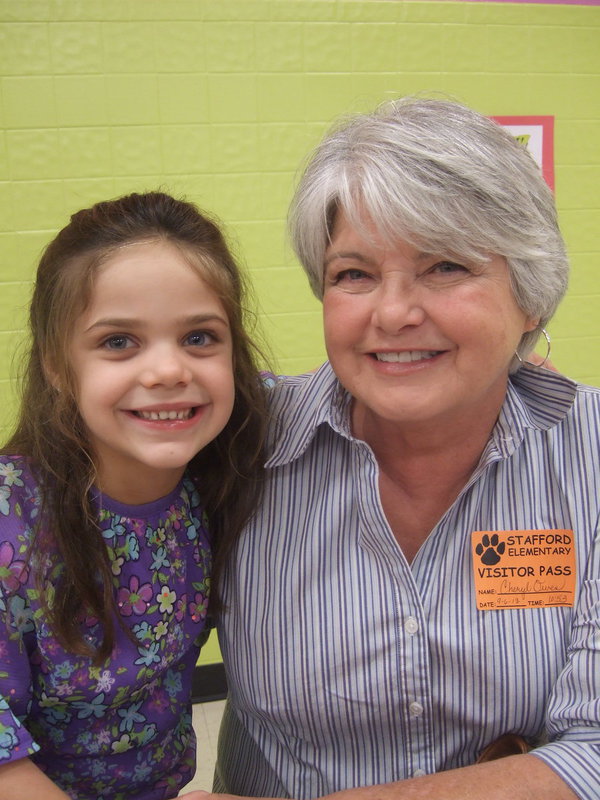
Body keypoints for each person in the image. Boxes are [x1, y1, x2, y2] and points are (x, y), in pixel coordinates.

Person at [211, 98, 600, 800]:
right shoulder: (236, 448)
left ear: (531, 297)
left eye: (446, 266)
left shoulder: (592, 457)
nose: (392, 314)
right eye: (353, 274)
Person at [0, 191, 268, 800]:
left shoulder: (219, 467)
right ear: (57, 366)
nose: (169, 371)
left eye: (200, 337)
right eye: (119, 341)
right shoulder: (11, 523)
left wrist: (509, 372)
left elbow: (356, 387)